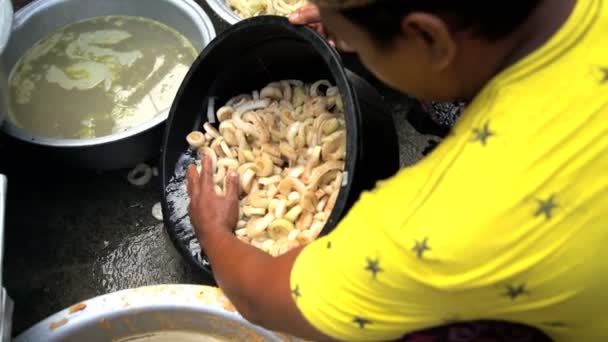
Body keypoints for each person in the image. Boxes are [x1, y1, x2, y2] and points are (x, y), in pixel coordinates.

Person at [186, 0, 608, 340]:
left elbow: (263, 297)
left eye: (355, 43)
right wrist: (358, 21)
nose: (348, 48)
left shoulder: (429, 225)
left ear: (426, 35)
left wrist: (216, 233)